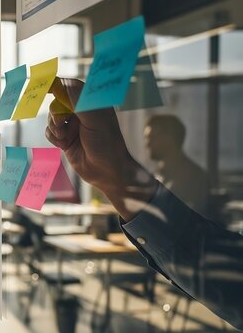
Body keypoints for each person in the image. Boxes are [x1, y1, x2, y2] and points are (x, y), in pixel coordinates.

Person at [45, 78, 243, 330]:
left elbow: (200, 247)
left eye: (153, 138)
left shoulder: (189, 177)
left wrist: (116, 176)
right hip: (176, 266)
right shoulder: (167, 173)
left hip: (175, 269)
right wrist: (114, 176)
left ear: (172, 138)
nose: (147, 144)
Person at [144, 115, 212, 220]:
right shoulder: (156, 175)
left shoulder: (194, 177)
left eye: (152, 137)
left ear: (169, 138)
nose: (147, 144)